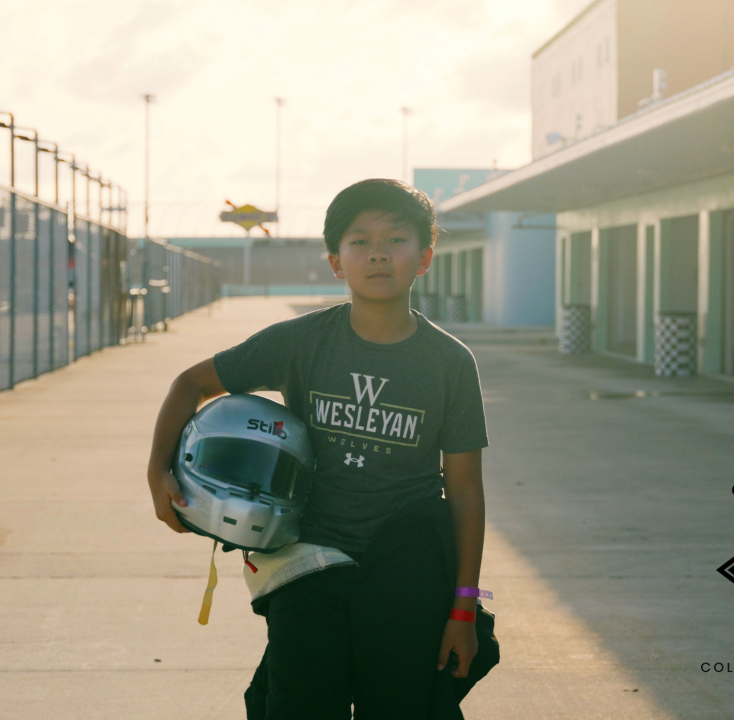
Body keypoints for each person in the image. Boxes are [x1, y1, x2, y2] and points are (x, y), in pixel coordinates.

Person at [146, 179, 490, 718]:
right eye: (360, 241)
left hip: (407, 567)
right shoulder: (300, 342)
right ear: (335, 262)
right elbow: (191, 383)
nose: (378, 253)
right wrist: (158, 472)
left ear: (424, 258)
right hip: (308, 561)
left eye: (396, 239)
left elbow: (465, 491)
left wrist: (463, 610)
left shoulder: (450, 363)